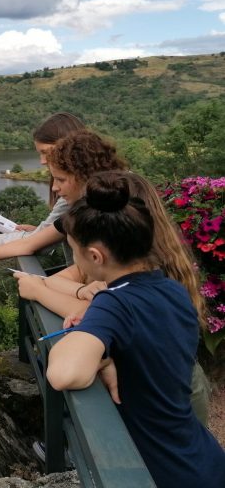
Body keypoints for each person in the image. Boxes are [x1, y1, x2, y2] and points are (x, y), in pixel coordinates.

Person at [45, 172, 225, 488]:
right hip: (202, 457)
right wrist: (106, 351)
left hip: (165, 472)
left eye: (74, 249)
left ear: (95, 255)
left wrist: (89, 343)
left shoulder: (113, 302)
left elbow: (63, 373)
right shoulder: (171, 289)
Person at [15, 171, 212, 424]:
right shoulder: (163, 283)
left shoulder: (119, 297)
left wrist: (93, 343)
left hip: (164, 428)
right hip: (186, 430)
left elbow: (64, 372)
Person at [0, 129, 126, 284]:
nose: (54, 188)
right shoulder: (79, 211)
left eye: (61, 180)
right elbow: (30, 243)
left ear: (84, 175)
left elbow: (32, 245)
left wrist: (39, 290)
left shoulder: (111, 218)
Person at [0, 112, 86, 250]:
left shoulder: (75, 192)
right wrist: (41, 231)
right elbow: (44, 237)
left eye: (46, 152)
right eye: (40, 153)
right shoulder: (89, 186)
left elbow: (35, 241)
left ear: (68, 146)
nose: (42, 161)